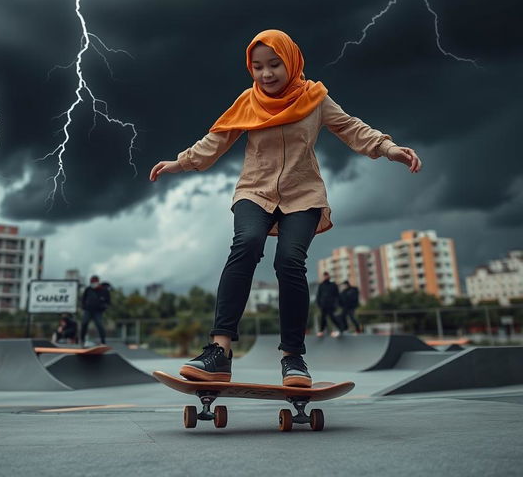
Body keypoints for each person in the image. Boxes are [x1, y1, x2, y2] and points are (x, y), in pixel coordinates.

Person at [150, 29, 421, 387]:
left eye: (274, 65)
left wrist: (388, 148)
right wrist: (181, 163)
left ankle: (293, 356)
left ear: (291, 62)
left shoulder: (315, 99)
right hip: (255, 191)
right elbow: (217, 139)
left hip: (303, 195)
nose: (266, 74)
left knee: (289, 261)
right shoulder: (248, 101)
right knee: (246, 244)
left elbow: (352, 128)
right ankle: (220, 350)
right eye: (258, 67)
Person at [80, 276, 111, 345]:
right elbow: (83, 298)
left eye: (94, 282)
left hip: (98, 311)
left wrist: (104, 306)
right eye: (92, 282)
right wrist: (83, 306)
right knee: (84, 323)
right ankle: (82, 339)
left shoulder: (104, 290)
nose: (93, 284)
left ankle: (103, 341)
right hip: (88, 310)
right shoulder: (88, 289)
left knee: (99, 325)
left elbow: (108, 301)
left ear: (97, 282)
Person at [316, 272, 345, 338]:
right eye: (325, 276)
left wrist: (337, 304)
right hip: (323, 304)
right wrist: (318, 303)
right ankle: (321, 331)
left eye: (327, 276)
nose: (326, 277)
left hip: (331, 304)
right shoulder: (321, 285)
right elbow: (318, 295)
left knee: (332, 317)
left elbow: (337, 295)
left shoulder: (333, 285)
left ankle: (341, 328)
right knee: (323, 317)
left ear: (329, 276)